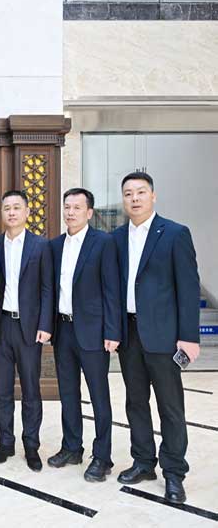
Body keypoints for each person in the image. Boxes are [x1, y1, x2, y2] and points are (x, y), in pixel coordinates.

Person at [112, 171, 200, 504]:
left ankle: (174, 472)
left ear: (153, 195)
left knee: (170, 406)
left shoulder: (175, 233)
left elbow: (188, 288)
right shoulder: (116, 238)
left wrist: (188, 337)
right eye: (128, 193)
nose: (134, 198)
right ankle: (143, 462)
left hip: (164, 335)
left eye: (140, 192)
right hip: (129, 333)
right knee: (135, 402)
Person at [48, 188, 120, 482]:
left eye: (77, 207)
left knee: (99, 396)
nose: (71, 212)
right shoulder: (55, 245)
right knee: (68, 393)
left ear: (89, 212)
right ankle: (71, 447)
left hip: (93, 332)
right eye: (67, 207)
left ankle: (102, 457)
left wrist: (112, 331)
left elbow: (112, 289)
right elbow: (51, 289)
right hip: (63, 330)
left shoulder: (103, 243)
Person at [0, 190, 54, 472]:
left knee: (31, 390)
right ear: (2, 213)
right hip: (1, 325)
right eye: (7, 208)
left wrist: (45, 325)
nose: (12, 212)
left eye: (17, 207)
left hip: (29, 328)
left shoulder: (41, 246)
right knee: (2, 390)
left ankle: (31, 446)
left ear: (27, 212)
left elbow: (48, 289)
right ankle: (5, 444)